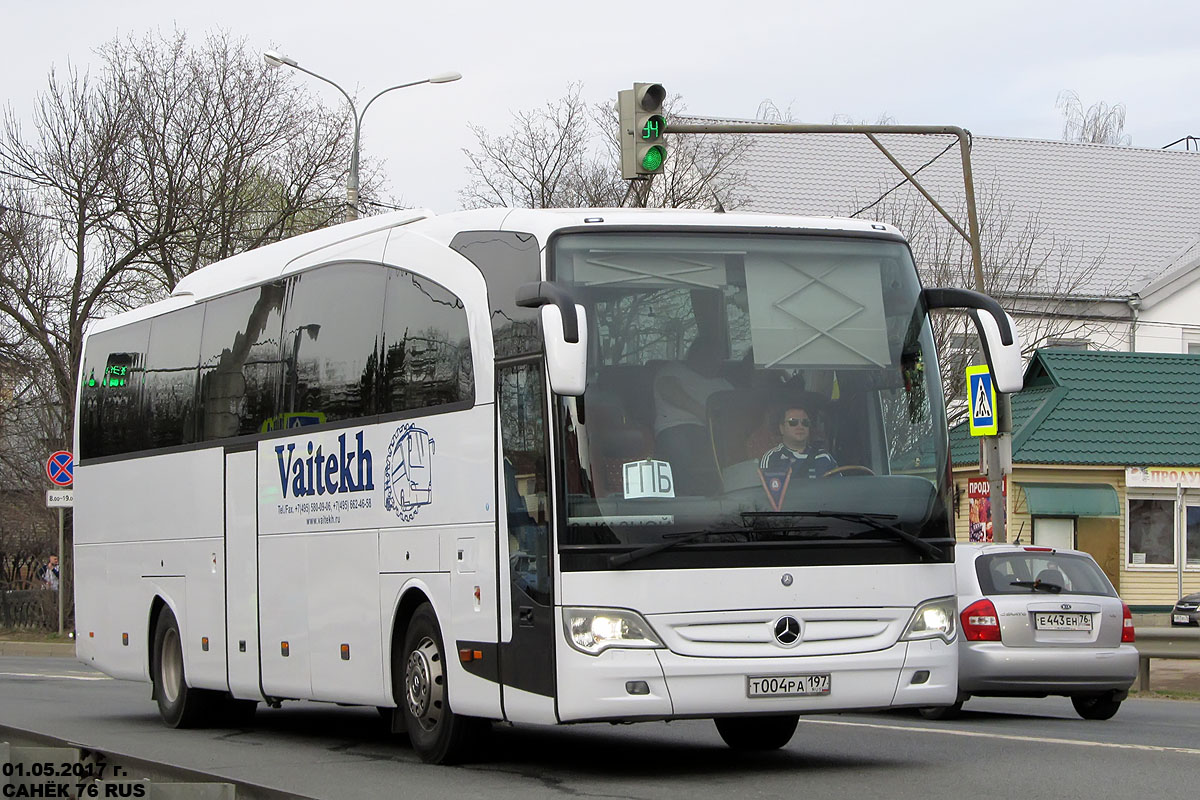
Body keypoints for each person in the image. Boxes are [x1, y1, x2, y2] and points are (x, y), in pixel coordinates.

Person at [653, 335, 732, 496]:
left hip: (715, 431)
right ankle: (685, 498)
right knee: (679, 445)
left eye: (718, 357)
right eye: (710, 355)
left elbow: (738, 410)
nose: (716, 361)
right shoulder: (674, 370)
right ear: (696, 354)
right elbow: (669, 391)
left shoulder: (723, 383)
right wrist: (705, 414)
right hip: (676, 427)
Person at [758, 403, 838, 479]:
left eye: (805, 422)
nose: (800, 426)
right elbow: (764, 491)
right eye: (793, 422)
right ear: (782, 428)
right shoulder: (771, 458)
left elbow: (839, 489)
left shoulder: (824, 457)